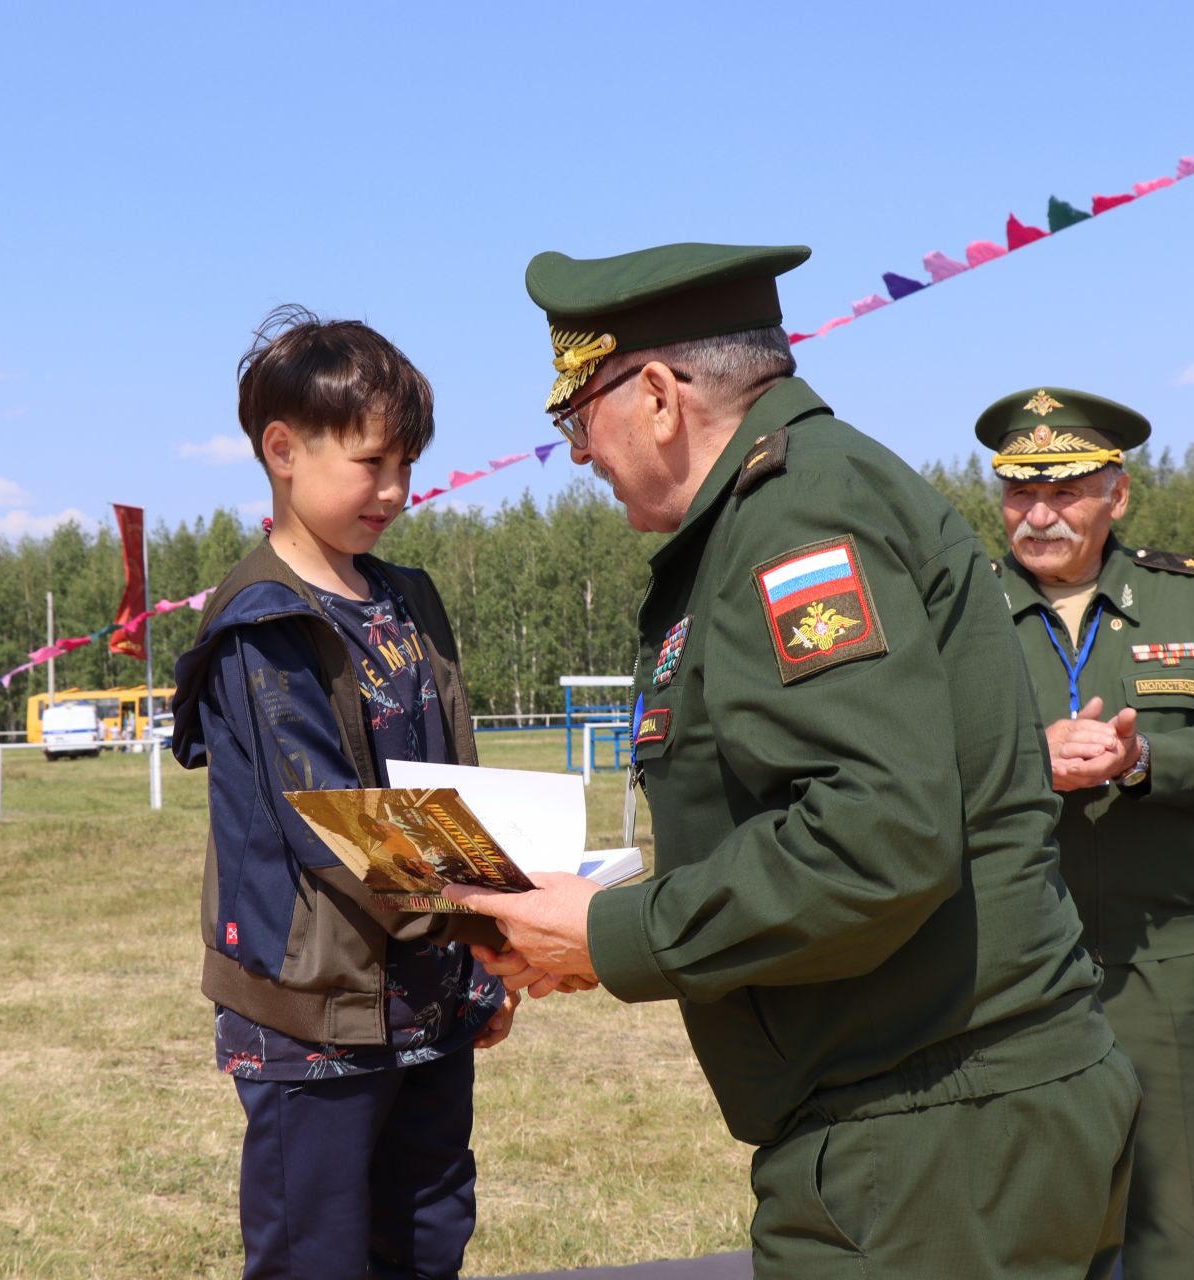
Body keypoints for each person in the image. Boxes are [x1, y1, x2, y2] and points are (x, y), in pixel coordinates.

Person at [455, 243, 1139, 1278]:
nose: (580, 452)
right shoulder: (795, 498)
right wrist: (600, 928)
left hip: (927, 1139)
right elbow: (826, 813)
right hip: (944, 1116)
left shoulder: (794, 518)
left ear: (653, 396)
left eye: (574, 416)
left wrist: (619, 931)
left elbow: (874, 840)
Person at [169, 306, 518, 1280]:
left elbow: (456, 779)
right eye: (372, 462)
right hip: (314, 1014)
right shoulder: (262, 625)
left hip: (430, 996)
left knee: (429, 1234)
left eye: (408, 463)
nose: (397, 490)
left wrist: (480, 961)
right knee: (314, 1256)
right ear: (283, 448)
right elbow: (339, 823)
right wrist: (497, 920)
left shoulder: (409, 598)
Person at [974, 386, 1194, 1278]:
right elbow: (913, 761)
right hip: (1008, 961)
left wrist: (1144, 758)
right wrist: (1022, 759)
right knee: (1030, 1206)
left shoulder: (1189, 597)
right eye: (1017, 492)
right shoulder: (955, 608)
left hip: (1164, 957)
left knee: (1176, 1221)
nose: (1038, 515)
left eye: (1065, 491)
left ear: (1117, 494)